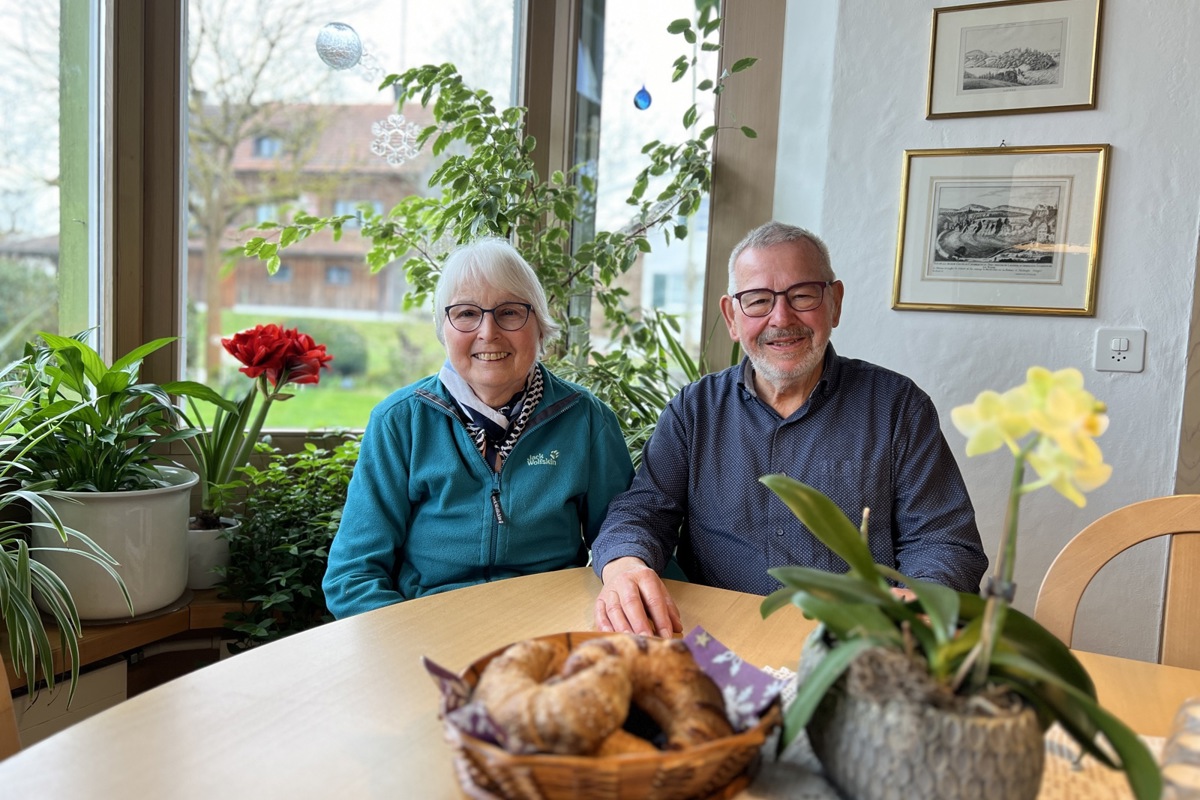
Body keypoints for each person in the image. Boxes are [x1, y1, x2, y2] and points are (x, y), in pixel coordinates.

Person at [591, 221, 988, 638]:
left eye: (802, 296)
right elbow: (642, 511)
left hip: (858, 645)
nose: (781, 318)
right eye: (758, 301)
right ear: (731, 316)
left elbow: (945, 542)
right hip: (719, 641)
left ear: (834, 302)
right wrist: (624, 564)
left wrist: (918, 601)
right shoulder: (694, 410)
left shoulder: (898, 407)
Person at [324, 238, 633, 618]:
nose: (488, 332)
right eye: (467, 313)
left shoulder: (587, 420)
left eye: (509, 312)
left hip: (552, 628)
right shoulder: (400, 422)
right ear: (444, 329)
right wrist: (409, 651)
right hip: (429, 627)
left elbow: (627, 542)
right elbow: (352, 575)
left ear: (538, 325)